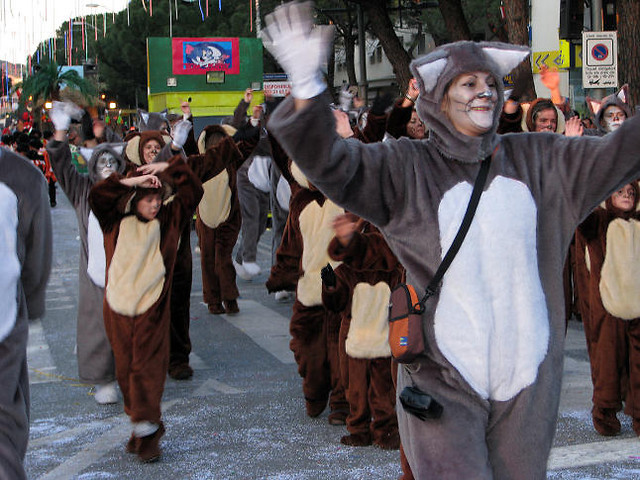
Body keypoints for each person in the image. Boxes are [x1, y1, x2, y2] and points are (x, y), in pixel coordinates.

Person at [262, 2, 640, 477]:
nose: (483, 93)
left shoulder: (543, 161)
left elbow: (619, 152)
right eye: (468, 84)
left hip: (526, 380)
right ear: (440, 97)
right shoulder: (407, 166)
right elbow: (333, 164)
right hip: (442, 375)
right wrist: (306, 85)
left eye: (489, 84)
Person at [88, 157, 203, 463]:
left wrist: (168, 168)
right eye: (149, 200)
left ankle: (149, 433)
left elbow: (193, 192)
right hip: (117, 306)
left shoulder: (168, 220)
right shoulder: (114, 220)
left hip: (152, 306)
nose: (154, 205)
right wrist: (132, 181)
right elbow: (98, 195)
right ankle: (141, 426)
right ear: (137, 198)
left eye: (158, 199)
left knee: (148, 371)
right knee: (126, 374)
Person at [46, 101, 126, 405]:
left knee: (132, 328)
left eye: (112, 163)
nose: (107, 167)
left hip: (126, 271)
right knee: (96, 328)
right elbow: (62, 166)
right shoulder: (82, 191)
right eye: (101, 163)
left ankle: (134, 375)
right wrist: (61, 129)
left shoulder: (130, 190)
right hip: (94, 271)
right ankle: (102, 378)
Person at [321, 213, 403, 450]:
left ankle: (386, 428)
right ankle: (358, 428)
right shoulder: (347, 272)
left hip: (384, 339)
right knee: (355, 390)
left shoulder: (394, 270)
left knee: (383, 389)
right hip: (355, 339)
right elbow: (336, 303)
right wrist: (330, 286)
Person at [0, 146, 52, 479]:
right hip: (4, 317)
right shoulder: (21, 175)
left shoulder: (23, 175)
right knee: (5, 423)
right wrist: (31, 301)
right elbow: (38, 256)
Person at [576, 182, 640, 436]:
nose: (626, 196)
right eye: (620, 192)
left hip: (637, 307)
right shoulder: (600, 220)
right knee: (607, 363)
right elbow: (580, 216)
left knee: (638, 364)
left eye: (631, 193)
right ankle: (605, 411)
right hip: (608, 305)